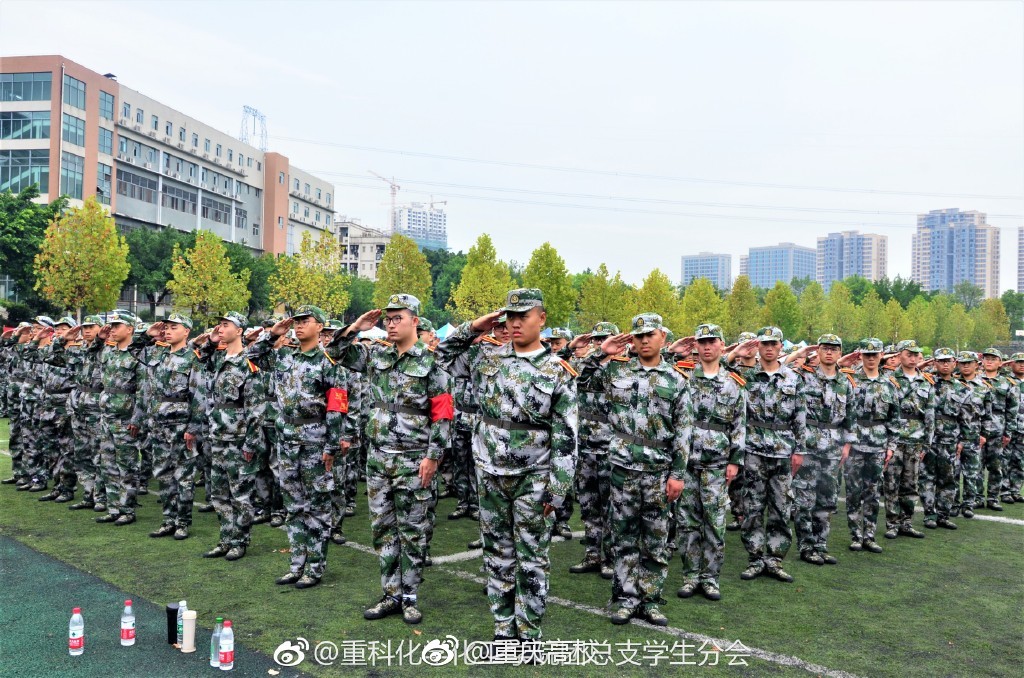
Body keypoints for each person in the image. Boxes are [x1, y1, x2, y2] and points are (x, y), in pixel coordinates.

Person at [439, 288, 577, 645]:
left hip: (534, 478)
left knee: (532, 558)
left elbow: (567, 434)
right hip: (490, 472)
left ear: (541, 319)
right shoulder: (487, 357)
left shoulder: (557, 370)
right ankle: (503, 629)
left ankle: (529, 633)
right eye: (510, 317)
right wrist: (473, 326)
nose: (514, 324)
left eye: (523, 317)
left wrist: (558, 489)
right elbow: (440, 356)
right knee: (497, 555)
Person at [327, 294, 453, 624]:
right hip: (379, 459)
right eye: (388, 318)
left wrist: (433, 456)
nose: (391, 323)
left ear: (415, 321)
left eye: (399, 318)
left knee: (412, 530)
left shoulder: (432, 364)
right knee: (383, 530)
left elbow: (442, 414)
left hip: (414, 460)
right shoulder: (377, 354)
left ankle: (409, 597)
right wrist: (356, 327)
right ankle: (390, 594)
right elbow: (336, 352)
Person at [578, 313, 691, 625]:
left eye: (650, 335)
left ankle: (651, 599)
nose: (643, 340)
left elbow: (683, 433)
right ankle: (626, 598)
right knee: (624, 537)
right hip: (623, 469)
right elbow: (581, 381)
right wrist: (603, 352)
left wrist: (677, 475)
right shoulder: (616, 371)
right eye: (638, 335)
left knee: (655, 540)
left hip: (658, 472)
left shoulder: (677, 381)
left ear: (663, 339)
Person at [248, 306, 352, 588]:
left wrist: (331, 446)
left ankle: (315, 568)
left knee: (317, 507)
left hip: (316, 442)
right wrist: (273, 335)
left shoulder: (329, 361)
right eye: (297, 321)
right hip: (287, 441)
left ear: (320, 327)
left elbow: (337, 406)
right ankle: (296, 564)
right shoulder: (283, 356)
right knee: (293, 507)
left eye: (306, 321)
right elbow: (252, 355)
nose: (299, 326)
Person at [729, 326, 805, 583]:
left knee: (781, 507)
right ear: (758, 347)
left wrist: (800, 450)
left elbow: (800, 417)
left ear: (781, 347)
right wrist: (736, 352)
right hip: (753, 449)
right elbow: (719, 371)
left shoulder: (794, 379)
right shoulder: (746, 376)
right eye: (765, 344)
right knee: (752, 507)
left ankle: (774, 559)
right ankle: (754, 558)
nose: (770, 348)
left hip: (783, 451)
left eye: (774, 344)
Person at [675, 323, 745, 601]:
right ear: (696, 346)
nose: (706, 346)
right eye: (702, 341)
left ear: (722, 346)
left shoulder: (734, 383)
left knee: (714, 523)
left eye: (712, 341)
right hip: (688, 463)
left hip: (717, 464)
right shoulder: (683, 377)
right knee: (688, 522)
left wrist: (735, 460)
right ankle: (690, 576)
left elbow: (740, 424)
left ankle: (710, 578)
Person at [192, 311, 264, 561]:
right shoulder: (219, 358)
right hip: (218, 435)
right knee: (219, 494)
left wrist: (251, 442)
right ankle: (225, 538)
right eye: (219, 325)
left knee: (240, 494)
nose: (220, 328)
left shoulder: (249, 363)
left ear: (240, 330)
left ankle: (240, 541)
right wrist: (211, 340)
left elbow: (256, 409)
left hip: (239, 437)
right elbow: (200, 357)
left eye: (226, 325)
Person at [788, 334, 856, 566]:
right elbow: (782, 369)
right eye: (824, 348)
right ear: (818, 352)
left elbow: (851, 416)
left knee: (827, 499)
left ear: (839, 353)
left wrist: (847, 445)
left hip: (834, 445)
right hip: (808, 444)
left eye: (833, 349)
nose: (829, 352)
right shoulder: (803, 378)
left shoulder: (846, 382)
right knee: (804, 498)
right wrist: (799, 354)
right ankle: (806, 546)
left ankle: (821, 545)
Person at [135, 314, 201, 540]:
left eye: (174, 327)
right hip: (158, 426)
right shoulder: (156, 353)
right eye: (167, 328)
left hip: (181, 426)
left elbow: (198, 397)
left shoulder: (193, 359)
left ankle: (182, 522)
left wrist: (192, 428)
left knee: (183, 476)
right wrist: (148, 335)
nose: (168, 331)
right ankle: (168, 519)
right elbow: (133, 350)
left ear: (187, 332)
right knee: (163, 474)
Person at [568, 321, 620, 581]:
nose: (600, 344)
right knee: (588, 504)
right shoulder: (585, 366)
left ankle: (610, 557)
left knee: (611, 506)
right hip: (586, 447)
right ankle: (592, 554)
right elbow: (566, 369)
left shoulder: (624, 368)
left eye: (605, 339)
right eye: (597, 340)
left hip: (612, 449)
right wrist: (588, 351)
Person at [93, 311, 150, 526]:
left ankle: (127, 509)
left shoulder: (138, 355)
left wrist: (136, 419)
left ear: (130, 329)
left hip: (125, 419)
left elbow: (144, 391)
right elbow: (93, 350)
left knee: (126, 466)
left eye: (117, 326)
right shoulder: (109, 352)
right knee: (108, 465)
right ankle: (113, 507)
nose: (113, 329)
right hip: (106, 417)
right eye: (111, 326)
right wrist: (101, 336)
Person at [845, 338, 901, 553]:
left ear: (881, 357)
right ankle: (855, 535)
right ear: (860, 356)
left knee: (872, 492)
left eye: (874, 354)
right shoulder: (850, 381)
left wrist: (891, 446)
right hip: (855, 442)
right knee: (853, 491)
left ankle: (869, 535)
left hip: (878, 444)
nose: (870, 358)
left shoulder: (890, 384)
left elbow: (894, 419)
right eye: (866, 355)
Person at [885, 340, 935, 540]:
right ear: (899, 355)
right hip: (895, 439)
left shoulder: (926, 381)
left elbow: (930, 414)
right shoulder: (889, 379)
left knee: (911, 484)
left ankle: (906, 522)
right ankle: (891, 524)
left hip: (915, 440)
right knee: (891, 483)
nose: (913, 358)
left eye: (916, 355)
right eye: (909, 354)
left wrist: (927, 442)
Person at [921, 348, 971, 530]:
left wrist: (963, 441)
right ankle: (929, 515)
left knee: (948, 479)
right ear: (935, 363)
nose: (944, 364)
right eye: (941, 361)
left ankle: (944, 514)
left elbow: (966, 418)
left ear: (954, 363)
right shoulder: (926, 383)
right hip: (930, 439)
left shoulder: (962, 388)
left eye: (948, 361)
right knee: (927, 477)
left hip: (950, 440)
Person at [979, 348, 1019, 510]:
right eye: (987, 358)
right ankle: (977, 496)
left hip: (998, 429)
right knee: (977, 466)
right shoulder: (975, 380)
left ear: (1000, 363)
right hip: (978, 428)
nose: (989, 361)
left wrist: (1008, 432)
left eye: (993, 359)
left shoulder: (1007, 383)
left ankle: (993, 497)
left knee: (996, 465)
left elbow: (1012, 409)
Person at [956, 351, 991, 518]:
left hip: (973, 436)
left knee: (972, 473)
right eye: (962, 363)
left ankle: (969, 504)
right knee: (953, 472)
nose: (965, 366)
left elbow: (988, 415)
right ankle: (953, 503)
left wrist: (984, 434)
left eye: (969, 363)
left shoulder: (983, 387)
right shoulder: (952, 384)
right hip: (954, 436)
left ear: (976, 364)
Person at [1005, 353, 1024, 503]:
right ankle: (1004, 491)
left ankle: (1015, 490)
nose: (1022, 365)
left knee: (1020, 461)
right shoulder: (1005, 380)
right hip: (1009, 426)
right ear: (1012, 364)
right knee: (1005, 460)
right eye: (1018, 362)